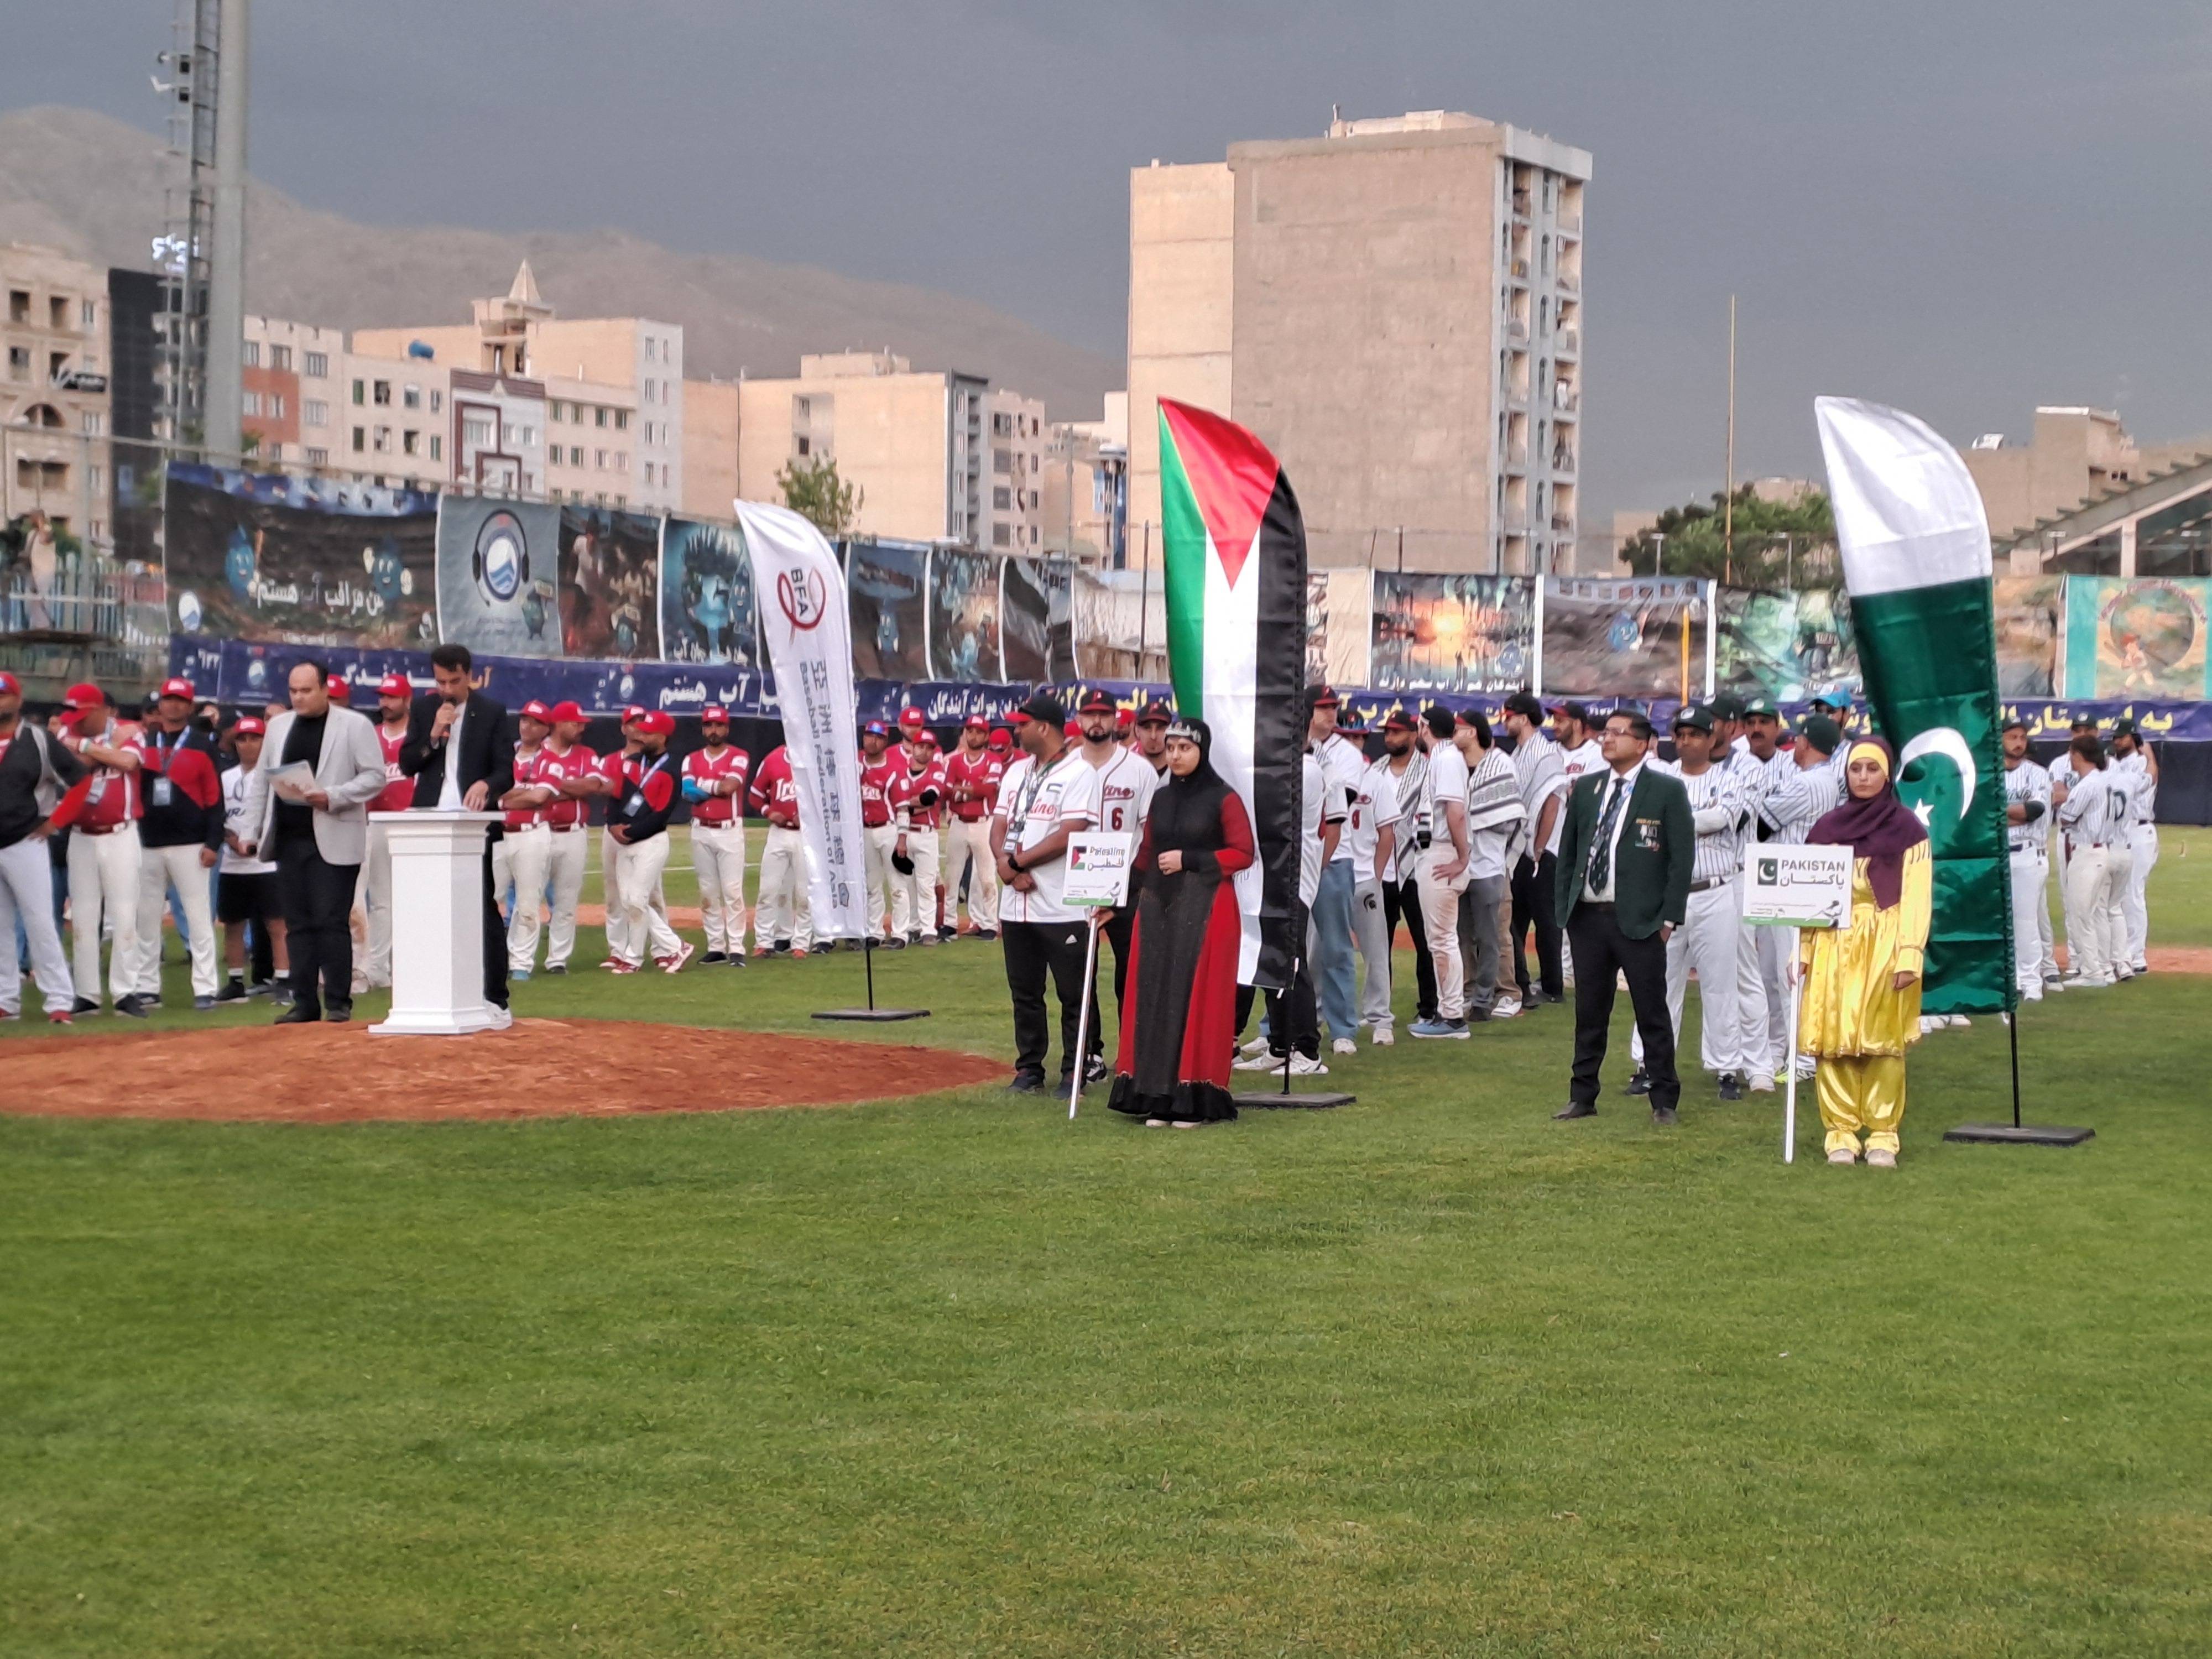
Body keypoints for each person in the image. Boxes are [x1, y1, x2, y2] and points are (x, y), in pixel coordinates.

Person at [1105, 718, 1256, 1127]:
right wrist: (1115, 897)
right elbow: (1146, 852)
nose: (1175, 755)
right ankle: (1157, 1094)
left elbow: (1244, 852)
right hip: (1159, 907)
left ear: (1202, 751)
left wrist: (1190, 860)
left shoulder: (1224, 798)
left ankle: (1196, 1096)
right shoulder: (1162, 797)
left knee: (1197, 996)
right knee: (1154, 994)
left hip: (1208, 909)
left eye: (1184, 748)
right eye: (1171, 748)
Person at [1553, 709, 1694, 1124]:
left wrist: (1669, 919)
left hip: (1641, 920)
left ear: (1644, 743)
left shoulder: (1666, 790)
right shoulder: (1588, 788)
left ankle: (1664, 1099)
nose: (1608, 739)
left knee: (1652, 1012)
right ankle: (1582, 1096)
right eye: (1606, 733)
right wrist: (1567, 908)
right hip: (1589, 917)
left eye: (1618, 733)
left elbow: (1680, 859)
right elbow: (1570, 852)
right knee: (1589, 1013)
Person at [1797, 737, 1933, 1167]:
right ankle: (1840, 1133)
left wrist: (1909, 953)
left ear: (1887, 774)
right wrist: (1803, 948)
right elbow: (1809, 895)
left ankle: (1882, 1135)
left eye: (1872, 769)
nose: (1863, 777)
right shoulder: (1826, 830)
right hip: (1833, 941)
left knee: (1882, 1041)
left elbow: (1917, 896)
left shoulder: (1908, 830)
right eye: (1856, 769)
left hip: (1886, 939)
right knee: (1832, 1040)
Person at [237, 660, 389, 1023]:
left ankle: (338, 1002)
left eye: (306, 690)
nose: (299, 698)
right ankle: (304, 1002)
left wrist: (333, 796)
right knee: (298, 924)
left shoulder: (354, 725)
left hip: (335, 833)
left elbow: (375, 777)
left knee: (331, 921)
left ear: (325, 689)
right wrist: (249, 831)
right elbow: (261, 783)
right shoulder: (278, 727)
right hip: (290, 838)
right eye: (293, 691)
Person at [1631, 707, 1763, 1098]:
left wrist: (1671, 822)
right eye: (1681, 734)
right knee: (1658, 982)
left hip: (1714, 889)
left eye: (1695, 734)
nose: (1687, 741)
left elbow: (1720, 819)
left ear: (1711, 739)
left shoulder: (1730, 779)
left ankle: (1726, 1069)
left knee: (1720, 985)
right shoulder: (1659, 779)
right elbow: (1645, 828)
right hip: (1666, 894)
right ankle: (1648, 1065)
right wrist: (1685, 822)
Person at [990, 694, 1102, 1094]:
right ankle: (1029, 1068)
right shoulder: (1016, 771)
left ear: (1043, 727)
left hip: (1060, 903)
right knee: (1025, 993)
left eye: (1022, 724)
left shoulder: (1079, 772)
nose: (1015, 731)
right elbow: (999, 825)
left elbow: (1069, 833)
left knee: (1074, 994)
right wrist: (1005, 865)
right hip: (1016, 904)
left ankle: (1075, 1069)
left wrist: (1017, 864)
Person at [399, 642, 514, 1016]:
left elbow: (506, 772)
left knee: (480, 906)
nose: (447, 689)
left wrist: (486, 785)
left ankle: (494, 996)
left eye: (454, 681)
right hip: (429, 820)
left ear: (469, 676)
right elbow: (407, 764)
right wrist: (434, 735)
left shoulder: (491, 712)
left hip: (472, 825)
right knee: (426, 907)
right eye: (440, 682)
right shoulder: (424, 709)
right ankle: (432, 991)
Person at [125, 675, 223, 1011]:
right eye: (169, 699)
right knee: (147, 919)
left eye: (181, 701)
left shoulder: (202, 744)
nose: (174, 706)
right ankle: (147, 986)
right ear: (161, 704)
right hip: (148, 842)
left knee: (199, 917)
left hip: (191, 843)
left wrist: (213, 842)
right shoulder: (144, 741)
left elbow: (215, 798)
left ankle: (206, 987)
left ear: (190, 706)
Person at [1755, 714, 1844, 1078]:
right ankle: (1781, 1052)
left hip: (1793, 886)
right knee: (1779, 975)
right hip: (1801, 884)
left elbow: (1762, 824)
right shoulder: (1828, 779)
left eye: (1798, 740)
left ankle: (1803, 1060)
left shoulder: (1808, 782)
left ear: (1806, 743)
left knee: (1791, 977)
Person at [55, 682, 149, 1018]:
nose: (77, 721)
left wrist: (88, 746)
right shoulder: (66, 732)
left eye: (83, 714)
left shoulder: (129, 730)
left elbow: (128, 761)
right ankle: (87, 994)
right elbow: (74, 768)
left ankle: (125, 992)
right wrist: (104, 747)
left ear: (100, 710)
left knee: (124, 914)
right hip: (81, 834)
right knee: (83, 916)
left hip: (120, 833)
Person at [0, 668, 81, 1024]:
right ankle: (5, 999)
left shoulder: (38, 739)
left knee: (39, 921)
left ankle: (59, 999)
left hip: (25, 840)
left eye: (4, 694)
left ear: (18, 699)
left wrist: (56, 822)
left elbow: (80, 781)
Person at [1077, 688, 1160, 1023]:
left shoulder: (1140, 770)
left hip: (1128, 883)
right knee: (1080, 978)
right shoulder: (1066, 768)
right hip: (1076, 883)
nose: (1097, 721)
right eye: (1090, 714)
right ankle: (1088, 1047)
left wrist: (1131, 884)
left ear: (1116, 720)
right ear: (1079, 719)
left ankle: (1131, 1049)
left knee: (1131, 975)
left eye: (1104, 714)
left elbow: (1151, 833)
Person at [603, 709, 691, 973]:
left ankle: (643, 955)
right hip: (625, 841)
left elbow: (662, 813)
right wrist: (613, 825)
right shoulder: (630, 762)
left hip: (651, 842)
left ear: (663, 737)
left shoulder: (672, 769)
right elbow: (616, 797)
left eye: (648, 733)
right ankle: (661, 950)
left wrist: (630, 832)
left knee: (638, 899)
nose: (641, 736)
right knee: (630, 900)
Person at [1455, 709, 1526, 1024]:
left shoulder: (1500, 764)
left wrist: (1471, 819)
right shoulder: (1452, 765)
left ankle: (1493, 996)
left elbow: (1509, 817)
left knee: (1492, 936)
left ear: (1472, 732)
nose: (1453, 735)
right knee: (1462, 936)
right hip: (1458, 866)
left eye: (1458, 729)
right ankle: (1469, 992)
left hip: (1490, 864)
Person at [1305, 686, 1365, 1050]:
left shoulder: (1346, 754)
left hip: (1333, 858)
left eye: (1334, 707)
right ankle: (1274, 1031)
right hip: (1296, 862)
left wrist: (1320, 863)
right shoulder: (1288, 746)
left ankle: (1343, 1030)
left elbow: (1340, 807)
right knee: (1288, 950)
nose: (1331, 713)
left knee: (1337, 948)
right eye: (1323, 707)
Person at [215, 716, 288, 1003]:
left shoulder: (274, 776)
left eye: (255, 739)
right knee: (233, 923)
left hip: (266, 861)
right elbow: (217, 816)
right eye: (242, 739)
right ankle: (235, 980)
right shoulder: (226, 777)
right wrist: (232, 840)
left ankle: (283, 979)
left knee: (277, 924)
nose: (248, 745)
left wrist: (260, 842)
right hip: (232, 863)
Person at [1410, 706, 1473, 1039]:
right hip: (1436, 849)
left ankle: (1452, 1017)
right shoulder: (1442, 758)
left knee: (1443, 939)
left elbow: (1455, 811)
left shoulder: (1447, 758)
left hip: (1442, 850)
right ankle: (1447, 1013)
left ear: (1425, 727)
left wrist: (1462, 857)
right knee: (1441, 939)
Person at [1500, 690, 1566, 1008]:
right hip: (1519, 851)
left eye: (1509, 716)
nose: (1505, 721)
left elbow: (1552, 802)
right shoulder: (1518, 754)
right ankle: (1520, 983)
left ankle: (1553, 986)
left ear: (1524, 718)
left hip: (1542, 852)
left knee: (1546, 923)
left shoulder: (1545, 753)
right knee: (1514, 921)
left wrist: (1539, 848)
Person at [1375, 708, 1436, 1028]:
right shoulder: (1374, 771)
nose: (1390, 737)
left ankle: (1429, 1007)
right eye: (1387, 732)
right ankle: (1379, 1009)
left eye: (1397, 731)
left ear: (1414, 735)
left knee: (1425, 943)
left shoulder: (1428, 771)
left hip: (1415, 867)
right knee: (1379, 945)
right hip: (1382, 868)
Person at [2056, 731, 2132, 987]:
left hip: (2088, 851)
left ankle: (2092, 972)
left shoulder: (2088, 784)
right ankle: (2099, 968)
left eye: (2072, 753)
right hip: (2103, 849)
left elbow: (2066, 818)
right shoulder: (2105, 780)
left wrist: (2063, 803)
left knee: (2080, 914)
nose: (2070, 758)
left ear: (2078, 755)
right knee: (2093, 913)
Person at [1343, 723, 1402, 1046]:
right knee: (1318, 953)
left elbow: (1387, 833)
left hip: (1364, 875)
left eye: (1357, 737)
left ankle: (1380, 1018)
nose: (1352, 742)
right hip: (1332, 876)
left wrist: (1376, 877)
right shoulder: (1327, 775)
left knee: (1376, 952)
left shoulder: (1375, 779)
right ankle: (1318, 1015)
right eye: (1346, 736)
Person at [533, 702, 601, 974]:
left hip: (573, 833)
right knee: (529, 899)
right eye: (576, 723)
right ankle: (520, 960)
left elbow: (592, 785)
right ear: (559, 724)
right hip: (539, 831)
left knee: (567, 900)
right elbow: (527, 789)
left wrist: (551, 784)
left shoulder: (587, 754)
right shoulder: (534, 751)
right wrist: (571, 788)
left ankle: (557, 960)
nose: (581, 728)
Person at [682, 704, 752, 965]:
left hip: (729, 829)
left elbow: (729, 788)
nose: (714, 730)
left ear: (727, 728)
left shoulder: (739, 756)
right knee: (708, 892)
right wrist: (713, 786)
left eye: (719, 725)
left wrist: (702, 785)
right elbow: (687, 792)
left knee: (733, 891)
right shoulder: (691, 758)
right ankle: (716, 946)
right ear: (703, 728)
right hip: (701, 828)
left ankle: (737, 947)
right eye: (709, 725)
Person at [492, 700, 557, 979]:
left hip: (531, 834)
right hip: (498, 833)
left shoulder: (550, 759)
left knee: (528, 903)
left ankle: (521, 963)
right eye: (524, 720)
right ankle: (493, 957)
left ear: (546, 729)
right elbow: (493, 792)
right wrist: (520, 794)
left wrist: (504, 798)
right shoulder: (504, 754)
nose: (527, 726)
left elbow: (539, 797)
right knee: (490, 897)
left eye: (535, 722)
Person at [360, 673, 415, 989]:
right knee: (381, 900)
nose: (386, 702)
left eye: (392, 697)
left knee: (415, 898)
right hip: (377, 820)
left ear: (407, 700)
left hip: (412, 821)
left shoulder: (419, 735)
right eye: (383, 697)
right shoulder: (371, 736)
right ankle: (379, 968)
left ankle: (413, 963)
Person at [2001, 718, 2054, 1003]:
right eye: (2012, 737)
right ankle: (2010, 979)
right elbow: (1980, 815)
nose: (2019, 742)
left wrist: (1998, 813)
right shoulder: (1988, 773)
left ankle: (2031, 981)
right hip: (1998, 856)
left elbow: (2033, 811)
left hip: (2027, 854)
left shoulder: (2037, 773)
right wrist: (2013, 814)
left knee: (2025, 922)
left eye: (2022, 737)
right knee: (2000, 923)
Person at [940, 714, 1004, 940]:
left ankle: (989, 924)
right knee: (952, 875)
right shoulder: (955, 761)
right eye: (970, 731)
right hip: (958, 822)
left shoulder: (993, 760)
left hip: (983, 823)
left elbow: (989, 790)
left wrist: (962, 789)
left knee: (986, 876)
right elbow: (946, 791)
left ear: (986, 736)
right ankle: (949, 923)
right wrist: (974, 788)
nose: (974, 735)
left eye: (979, 732)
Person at [748, 742, 813, 957]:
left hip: (806, 835)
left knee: (804, 893)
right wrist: (768, 812)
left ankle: (801, 943)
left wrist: (810, 817)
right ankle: (763, 941)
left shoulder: (816, 758)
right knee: (768, 889)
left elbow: (829, 797)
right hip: (779, 833)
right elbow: (755, 794)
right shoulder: (774, 759)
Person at [2110, 719, 2159, 977]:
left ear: (2134, 737)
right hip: (2121, 831)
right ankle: (2121, 952)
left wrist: (2150, 758)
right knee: (2118, 894)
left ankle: (2136, 955)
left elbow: (2148, 779)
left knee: (2132, 894)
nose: (2117, 740)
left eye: (2122, 736)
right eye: (2115, 737)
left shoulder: (2140, 762)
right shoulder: (2117, 763)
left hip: (2139, 830)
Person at [891, 727, 947, 946]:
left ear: (933, 751)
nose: (924, 751)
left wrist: (905, 804)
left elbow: (928, 799)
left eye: (929, 748)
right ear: (913, 747)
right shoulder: (899, 771)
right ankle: (912, 927)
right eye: (920, 746)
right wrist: (910, 805)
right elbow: (896, 801)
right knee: (906, 886)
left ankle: (928, 930)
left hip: (926, 834)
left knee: (925, 884)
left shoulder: (937, 772)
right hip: (902, 834)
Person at [857, 720, 906, 948]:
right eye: (869, 735)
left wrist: (902, 838)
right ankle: (874, 932)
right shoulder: (856, 765)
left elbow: (903, 808)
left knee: (897, 885)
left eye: (878, 737)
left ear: (886, 742)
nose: (873, 741)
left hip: (888, 829)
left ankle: (901, 934)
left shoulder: (894, 769)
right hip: (865, 830)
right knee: (872, 885)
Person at [1133, 701, 1172, 776]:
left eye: (1160, 728)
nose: (1153, 736)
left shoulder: (1181, 772)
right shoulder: (1129, 771)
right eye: (1147, 728)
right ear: (1137, 731)